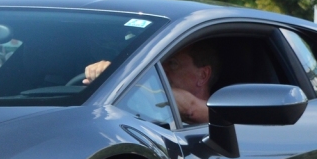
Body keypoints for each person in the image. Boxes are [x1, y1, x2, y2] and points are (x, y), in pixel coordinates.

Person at [83, 41, 220, 124]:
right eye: (161, 64)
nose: (161, 71)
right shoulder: (144, 103)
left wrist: (118, 76)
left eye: (173, 64)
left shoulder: (221, 116)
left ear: (203, 75)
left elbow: (191, 108)